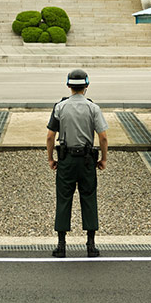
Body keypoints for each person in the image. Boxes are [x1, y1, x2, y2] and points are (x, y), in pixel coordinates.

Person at [46, 69, 108, 258]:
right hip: (87, 160)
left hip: (66, 160)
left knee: (64, 199)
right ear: (86, 85)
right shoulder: (93, 108)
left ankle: (61, 244)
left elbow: (50, 136)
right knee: (89, 198)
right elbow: (103, 137)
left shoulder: (60, 107)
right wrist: (103, 159)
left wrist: (51, 158)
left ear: (68, 85)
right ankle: (90, 244)